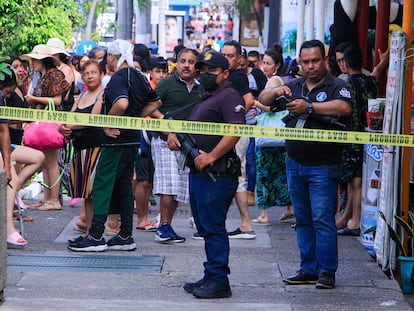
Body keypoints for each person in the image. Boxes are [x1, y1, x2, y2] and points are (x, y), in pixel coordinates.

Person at [259, 39, 353, 289]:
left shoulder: (337, 85)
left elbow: (344, 107)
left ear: (325, 60)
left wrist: (309, 107)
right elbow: (264, 97)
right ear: (299, 62)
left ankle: (326, 271)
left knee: (322, 218)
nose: (310, 66)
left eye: (315, 60)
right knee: (302, 218)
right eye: (305, 61)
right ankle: (308, 268)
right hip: (295, 163)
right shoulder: (295, 84)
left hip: (323, 165)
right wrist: (277, 91)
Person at [67, 39, 161, 252]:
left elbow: (121, 103)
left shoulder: (119, 77)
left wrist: (110, 122)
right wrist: (133, 120)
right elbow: (156, 102)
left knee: (102, 185)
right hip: (131, 141)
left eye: (107, 56)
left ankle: (96, 236)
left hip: (115, 142)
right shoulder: (139, 76)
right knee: (123, 188)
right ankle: (125, 235)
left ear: (112, 57)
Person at [179, 51, 244, 299]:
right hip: (201, 172)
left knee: (214, 227)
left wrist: (212, 156)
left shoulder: (228, 96)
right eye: (203, 71)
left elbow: (236, 130)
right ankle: (211, 274)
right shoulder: (208, 96)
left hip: (217, 172)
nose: (206, 75)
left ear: (225, 73)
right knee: (206, 226)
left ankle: (219, 280)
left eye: (212, 71)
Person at [152, 48, 204, 243]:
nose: (186, 65)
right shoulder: (166, 83)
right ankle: (163, 227)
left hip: (187, 145)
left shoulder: (200, 89)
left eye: (191, 62)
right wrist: (169, 131)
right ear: (176, 63)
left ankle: (166, 225)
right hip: (165, 141)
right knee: (170, 184)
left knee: (180, 188)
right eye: (183, 61)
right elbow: (151, 108)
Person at [59, 59, 104, 238]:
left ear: (101, 74)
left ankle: (92, 233)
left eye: (93, 72)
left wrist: (69, 125)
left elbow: (92, 120)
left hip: (96, 148)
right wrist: (64, 128)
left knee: (92, 191)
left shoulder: (103, 94)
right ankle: (87, 231)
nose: (89, 76)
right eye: (86, 73)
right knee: (85, 193)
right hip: (80, 149)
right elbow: (70, 118)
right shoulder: (81, 96)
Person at [22, 44, 70, 211]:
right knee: (45, 163)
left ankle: (54, 199)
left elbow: (57, 101)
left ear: (43, 60)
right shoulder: (41, 76)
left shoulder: (54, 74)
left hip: (50, 122)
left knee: (51, 162)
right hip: (42, 122)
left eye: (34, 60)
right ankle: (47, 199)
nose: (32, 63)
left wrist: (33, 98)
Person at [336, 45, 378, 236]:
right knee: (357, 180)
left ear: (345, 62)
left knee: (355, 181)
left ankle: (355, 221)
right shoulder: (371, 82)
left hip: (351, 136)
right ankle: (348, 218)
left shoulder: (345, 85)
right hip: (370, 135)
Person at [255, 44, 294, 224]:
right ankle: (290, 208)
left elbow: (271, 109)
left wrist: (256, 103)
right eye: (263, 62)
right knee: (281, 173)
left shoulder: (273, 82)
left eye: (268, 63)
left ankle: (264, 214)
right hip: (278, 136)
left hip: (269, 135)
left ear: (277, 65)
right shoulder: (278, 80)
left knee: (264, 173)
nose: (264, 66)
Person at [0, 68, 40, 247]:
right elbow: (4, 131)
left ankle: (11, 192)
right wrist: (8, 167)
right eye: (7, 92)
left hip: (6, 145)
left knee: (38, 157)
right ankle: (8, 228)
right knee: (11, 178)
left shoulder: (4, 97)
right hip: (3, 144)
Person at [221, 40, 256, 240]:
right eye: (223, 55)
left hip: (237, 132)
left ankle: (245, 224)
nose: (226, 59)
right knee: (234, 174)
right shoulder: (229, 76)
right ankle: (243, 223)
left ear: (239, 59)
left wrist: (233, 116)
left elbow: (249, 100)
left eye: (230, 56)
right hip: (233, 130)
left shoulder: (238, 76)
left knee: (237, 175)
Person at [134, 57, 168, 232]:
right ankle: (142, 218)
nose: (161, 75)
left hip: (157, 136)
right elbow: (151, 108)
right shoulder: (147, 87)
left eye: (164, 71)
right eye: (157, 71)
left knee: (150, 181)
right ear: (151, 73)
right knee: (144, 179)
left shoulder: (165, 87)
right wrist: (162, 119)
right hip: (144, 134)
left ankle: (145, 217)